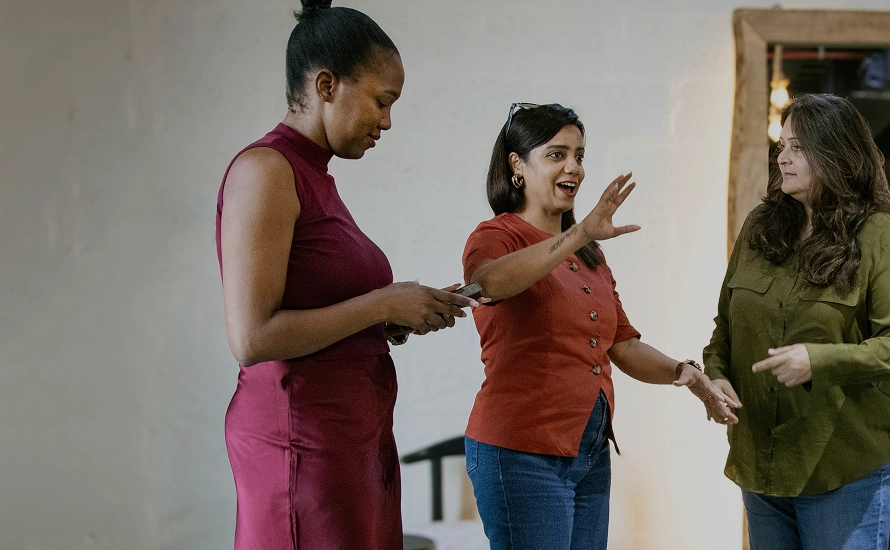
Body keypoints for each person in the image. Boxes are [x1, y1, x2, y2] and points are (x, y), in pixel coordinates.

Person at [215, 2, 477, 548]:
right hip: (300, 447)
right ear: (327, 84)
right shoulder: (265, 171)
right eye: (382, 101)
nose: (386, 121)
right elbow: (251, 338)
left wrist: (397, 315)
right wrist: (382, 303)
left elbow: (319, 309)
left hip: (348, 441)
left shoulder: (316, 176)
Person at [459, 103, 737, 550]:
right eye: (556, 154)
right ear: (517, 165)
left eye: (580, 155)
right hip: (520, 451)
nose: (574, 167)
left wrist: (688, 375)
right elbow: (488, 284)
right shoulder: (496, 236)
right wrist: (581, 233)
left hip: (588, 450)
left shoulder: (589, 254)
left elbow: (622, 344)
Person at [701, 93, 890, 550]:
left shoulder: (881, 237)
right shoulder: (759, 228)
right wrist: (716, 377)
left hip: (843, 463)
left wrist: (817, 361)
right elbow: (725, 324)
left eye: (798, 147)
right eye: (781, 145)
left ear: (838, 154)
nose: (782, 158)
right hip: (760, 457)